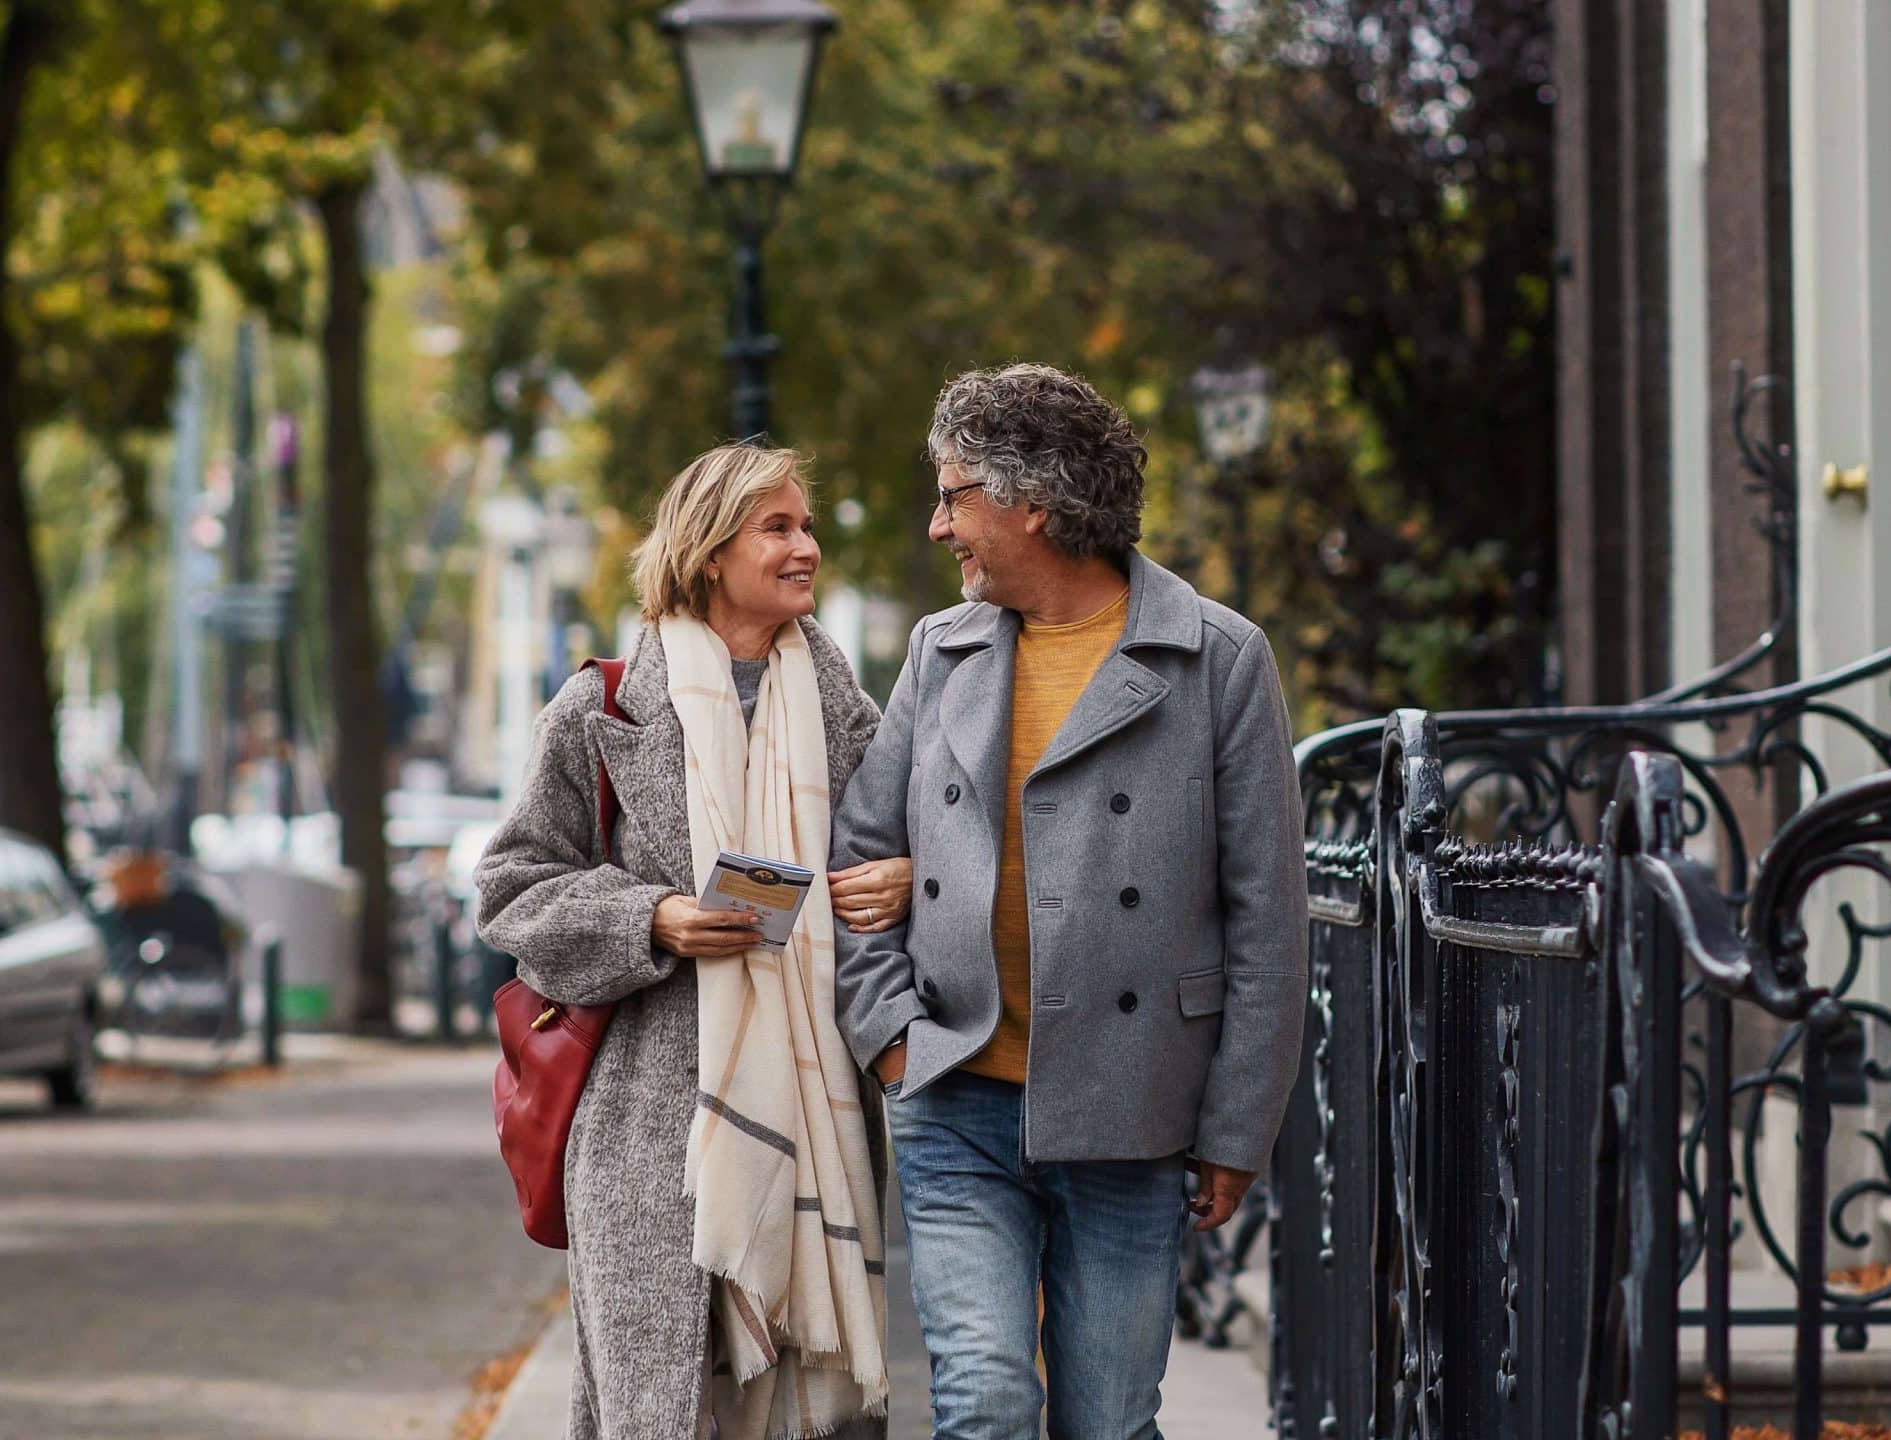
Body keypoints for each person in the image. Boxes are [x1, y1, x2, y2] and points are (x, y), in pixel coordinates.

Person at [832, 364, 1307, 1438]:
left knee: (1105, 1420)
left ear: (1029, 503)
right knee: (985, 1402)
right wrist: (893, 1042)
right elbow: (859, 853)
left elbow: (1268, 920)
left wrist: (1235, 1131)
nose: (936, 525)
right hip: (956, 1096)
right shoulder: (938, 650)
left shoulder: (1216, 660)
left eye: (953, 496)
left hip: (1131, 1112)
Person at [478, 443, 915, 1440]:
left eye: (807, 526)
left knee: (804, 1404)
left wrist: (902, 885)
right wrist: (649, 919)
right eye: (779, 527)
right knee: (660, 1410)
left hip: (815, 1123)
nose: (805, 546)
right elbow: (510, 886)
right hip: (643, 1132)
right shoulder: (604, 707)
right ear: (711, 552)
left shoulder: (851, 716)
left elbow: (914, 861)